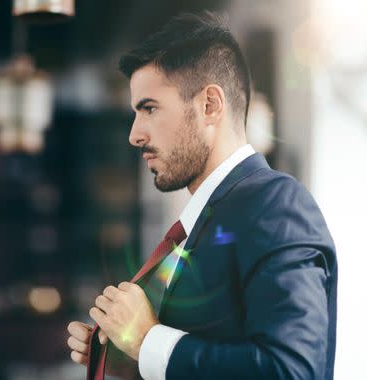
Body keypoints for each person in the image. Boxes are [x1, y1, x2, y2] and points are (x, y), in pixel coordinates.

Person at [66, 11, 337, 380]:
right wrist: (132, 361)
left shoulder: (275, 204)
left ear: (209, 105)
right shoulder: (213, 216)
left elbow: (291, 371)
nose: (135, 134)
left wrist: (148, 340)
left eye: (149, 108)